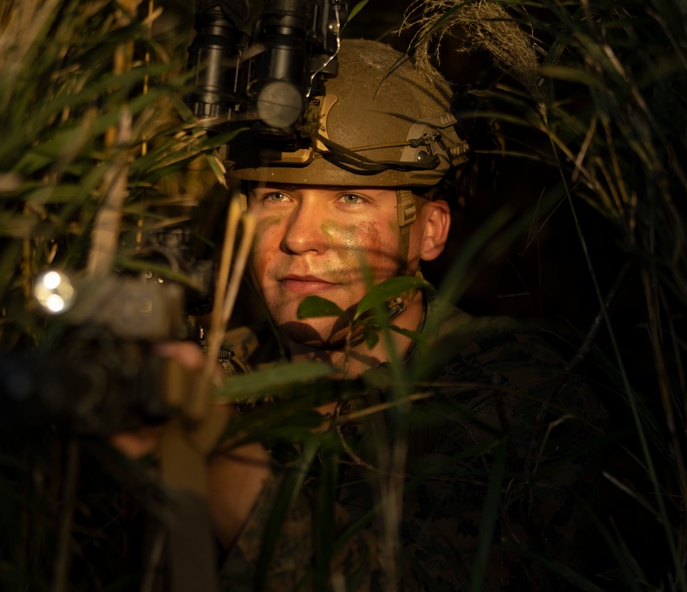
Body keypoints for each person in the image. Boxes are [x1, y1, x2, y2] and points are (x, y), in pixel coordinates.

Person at [201, 38, 610, 591]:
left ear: (431, 230)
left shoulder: (513, 396)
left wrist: (231, 486)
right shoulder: (217, 372)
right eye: (274, 196)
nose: (298, 238)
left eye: (351, 200)